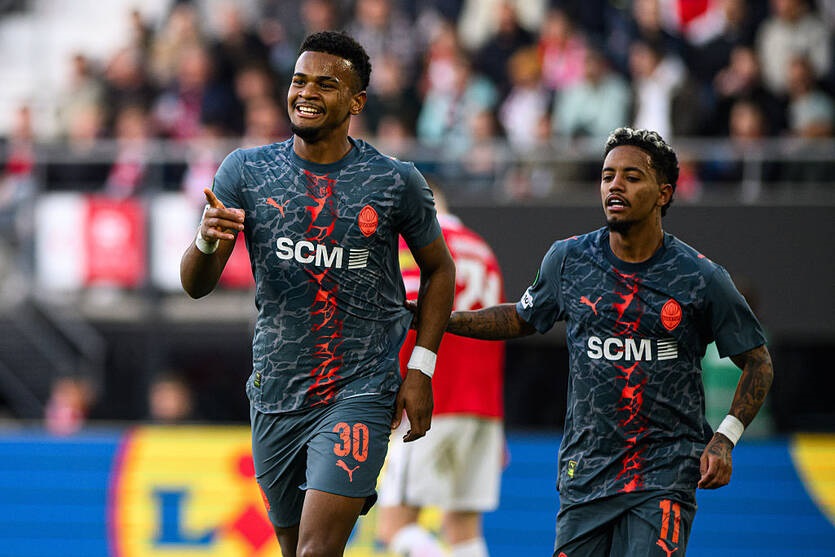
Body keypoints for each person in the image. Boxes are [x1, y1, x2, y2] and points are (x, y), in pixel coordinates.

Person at [179, 31, 456, 557]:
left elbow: (440, 270)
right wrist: (205, 239)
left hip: (361, 389)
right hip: (276, 392)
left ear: (357, 102)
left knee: (315, 551)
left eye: (325, 84)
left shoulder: (394, 181)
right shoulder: (245, 171)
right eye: (299, 80)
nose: (306, 92)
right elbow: (195, 286)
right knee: (295, 550)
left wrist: (421, 368)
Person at [440, 127, 774, 556]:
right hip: (586, 474)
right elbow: (521, 318)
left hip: (664, 474)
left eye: (632, 177)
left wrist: (725, 438)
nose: (615, 185)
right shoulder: (569, 259)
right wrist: (442, 319)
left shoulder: (700, 277)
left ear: (663, 193)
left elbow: (758, 361)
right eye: (607, 176)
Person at [376, 186, 506, 557]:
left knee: (395, 526)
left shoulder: (418, 247)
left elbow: (406, 321)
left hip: (433, 403)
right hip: (483, 409)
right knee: (463, 530)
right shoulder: (483, 251)